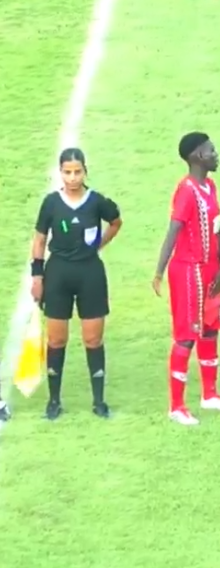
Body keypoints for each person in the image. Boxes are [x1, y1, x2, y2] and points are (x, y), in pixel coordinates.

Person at [153, 133, 220, 426]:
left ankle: (210, 395)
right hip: (188, 271)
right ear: (196, 156)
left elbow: (217, 229)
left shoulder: (210, 186)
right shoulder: (186, 191)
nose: (216, 154)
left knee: (211, 329)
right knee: (187, 335)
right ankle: (176, 406)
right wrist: (159, 271)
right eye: (210, 150)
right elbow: (173, 231)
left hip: (212, 269)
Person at [30, 148, 122, 420]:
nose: (72, 177)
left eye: (77, 171)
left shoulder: (96, 202)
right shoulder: (51, 203)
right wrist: (37, 276)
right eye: (67, 172)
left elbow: (116, 221)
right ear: (60, 173)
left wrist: (98, 245)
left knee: (93, 338)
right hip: (57, 274)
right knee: (57, 339)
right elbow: (39, 239)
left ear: (85, 171)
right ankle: (54, 400)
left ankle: (99, 401)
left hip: (90, 274)